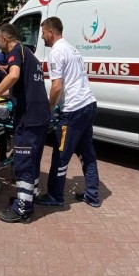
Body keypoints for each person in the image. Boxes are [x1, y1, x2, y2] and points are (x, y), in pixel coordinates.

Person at [0, 23, 50, 223]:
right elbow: (17, 87)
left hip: (29, 119)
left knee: (23, 161)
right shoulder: (29, 54)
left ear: (4, 39)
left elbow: (13, 75)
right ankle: (28, 199)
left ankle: (22, 210)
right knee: (33, 160)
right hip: (40, 117)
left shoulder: (15, 51)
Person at [35, 17, 101, 208]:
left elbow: (57, 87)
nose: (42, 37)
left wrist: (48, 109)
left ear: (51, 32)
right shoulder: (72, 49)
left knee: (60, 154)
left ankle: (55, 195)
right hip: (88, 104)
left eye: (43, 33)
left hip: (73, 110)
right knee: (87, 153)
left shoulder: (56, 52)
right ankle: (93, 195)